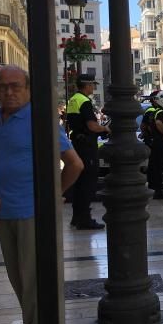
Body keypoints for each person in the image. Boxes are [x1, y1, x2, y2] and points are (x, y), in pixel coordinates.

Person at [0, 67, 83, 324]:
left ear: (29, 89)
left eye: (15, 86)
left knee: (32, 277)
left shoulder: (40, 119)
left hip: (33, 212)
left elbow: (75, 164)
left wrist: (54, 196)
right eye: (3, 86)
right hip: (6, 210)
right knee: (18, 276)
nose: (9, 92)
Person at [66, 75, 109, 229]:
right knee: (88, 182)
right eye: (92, 85)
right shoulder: (84, 101)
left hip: (77, 143)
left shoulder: (73, 99)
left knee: (79, 182)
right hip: (87, 145)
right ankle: (85, 219)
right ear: (87, 85)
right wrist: (105, 128)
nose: (93, 87)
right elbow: (92, 126)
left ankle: (76, 217)